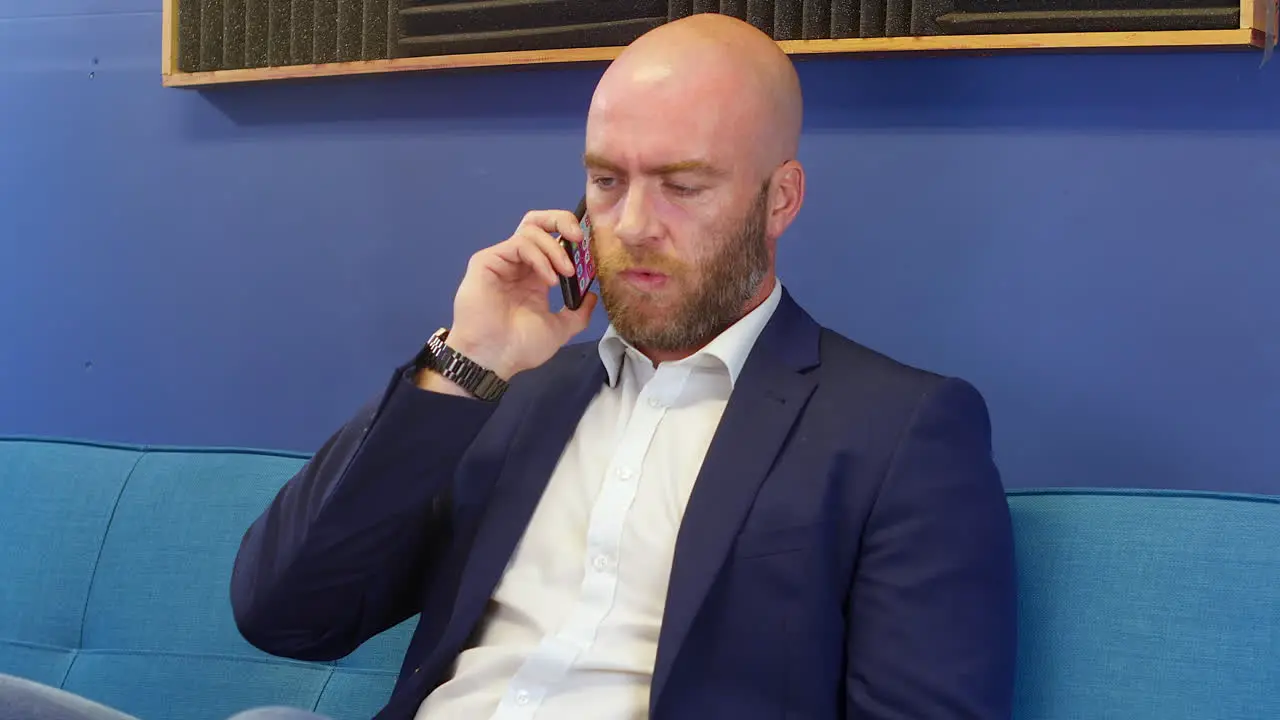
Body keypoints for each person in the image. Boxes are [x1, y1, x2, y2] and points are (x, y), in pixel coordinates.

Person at [0, 11, 1016, 720]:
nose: (630, 225)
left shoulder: (895, 430)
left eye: (682, 186)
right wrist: (467, 362)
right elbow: (285, 613)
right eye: (606, 181)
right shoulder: (514, 399)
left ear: (778, 199)